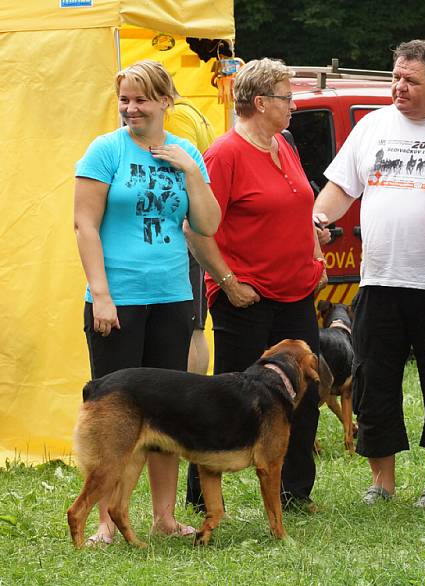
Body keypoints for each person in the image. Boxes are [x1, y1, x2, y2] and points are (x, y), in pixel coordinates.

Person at [312, 40, 425, 507]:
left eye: (411, 81)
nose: (399, 88)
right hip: (379, 279)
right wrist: (319, 222)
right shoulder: (373, 125)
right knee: (372, 383)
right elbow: (340, 187)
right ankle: (382, 483)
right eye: (396, 77)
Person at [73, 59, 221, 545]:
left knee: (168, 412)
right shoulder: (105, 152)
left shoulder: (185, 153)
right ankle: (104, 521)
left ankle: (162, 516)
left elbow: (208, 225)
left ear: (165, 101)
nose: (130, 109)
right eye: (124, 100)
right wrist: (101, 295)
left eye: (140, 99)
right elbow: (85, 226)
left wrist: (191, 174)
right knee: (115, 417)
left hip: (172, 297)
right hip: (117, 300)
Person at [185, 58, 326, 512]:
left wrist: (317, 256)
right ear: (260, 102)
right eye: (287, 97)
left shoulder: (284, 144)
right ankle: (202, 496)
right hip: (245, 297)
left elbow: (300, 208)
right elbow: (196, 227)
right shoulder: (224, 154)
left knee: (304, 392)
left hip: (296, 292)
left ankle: (295, 491)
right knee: (230, 399)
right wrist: (226, 281)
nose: (294, 104)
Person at [163, 93, 217, 511]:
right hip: (182, 248)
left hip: (183, 246)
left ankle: (189, 395)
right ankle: (189, 394)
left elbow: (186, 195)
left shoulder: (180, 124)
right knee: (195, 327)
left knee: (194, 327)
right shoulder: (193, 114)